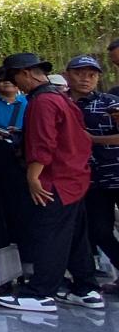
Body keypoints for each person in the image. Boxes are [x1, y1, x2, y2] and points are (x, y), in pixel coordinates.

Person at [0, 53, 104, 313]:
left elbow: (44, 142)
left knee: (49, 236)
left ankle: (40, 293)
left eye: (15, 78)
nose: (16, 85)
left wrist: (33, 176)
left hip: (54, 179)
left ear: (26, 73)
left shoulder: (42, 101)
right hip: (74, 176)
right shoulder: (61, 98)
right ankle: (86, 289)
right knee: (75, 236)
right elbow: (80, 137)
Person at [61, 55, 119, 293]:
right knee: (99, 231)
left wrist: (92, 140)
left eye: (92, 75)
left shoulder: (110, 103)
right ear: (67, 75)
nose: (85, 79)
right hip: (88, 179)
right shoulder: (60, 102)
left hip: (116, 173)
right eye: (79, 73)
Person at [0, 66, 33, 262]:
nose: (7, 82)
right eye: (1, 79)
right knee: (4, 204)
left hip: (24, 157)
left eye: (10, 78)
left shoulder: (28, 101)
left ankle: (29, 252)